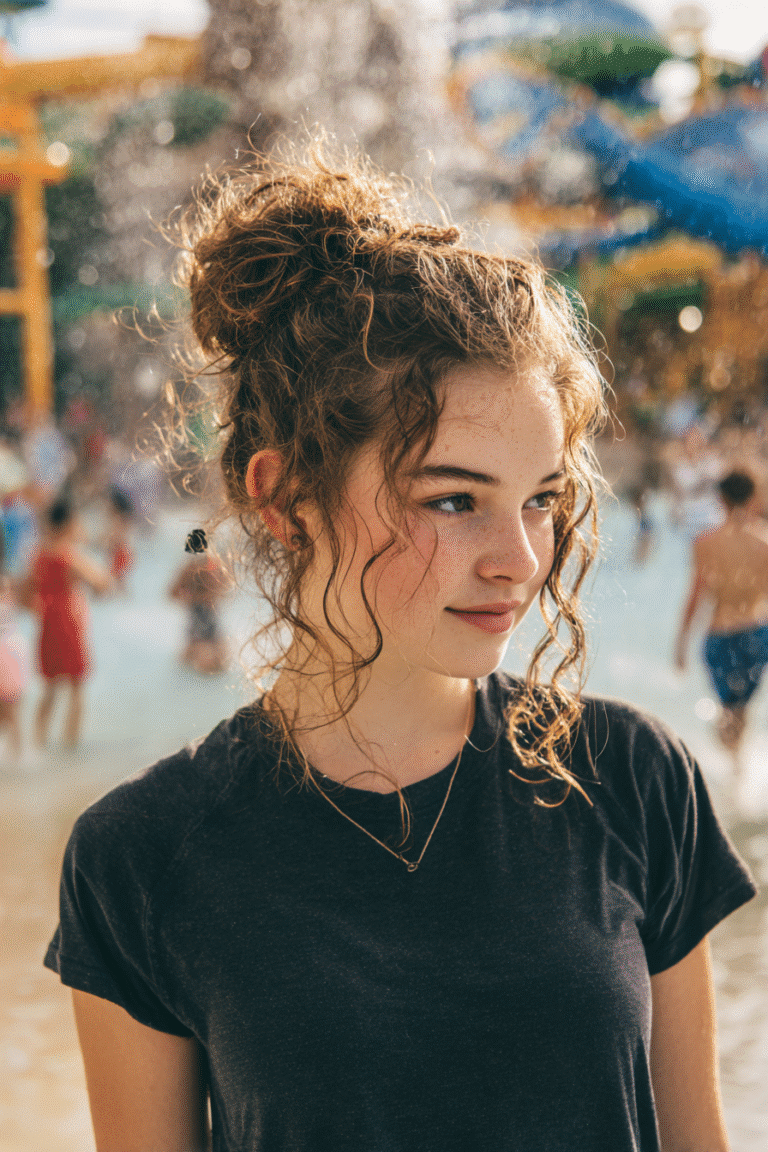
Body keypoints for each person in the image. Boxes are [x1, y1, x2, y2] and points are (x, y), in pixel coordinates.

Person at [45, 144, 755, 1152]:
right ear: (284, 495)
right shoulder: (142, 857)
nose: (520, 559)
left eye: (541, 501)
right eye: (454, 500)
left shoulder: (634, 781)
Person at [675, 468, 768, 759]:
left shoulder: (705, 543)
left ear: (720, 499)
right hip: (756, 634)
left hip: (719, 635)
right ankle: (738, 770)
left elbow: (696, 595)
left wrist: (681, 641)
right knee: (741, 710)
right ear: (753, 498)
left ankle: (731, 767)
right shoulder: (764, 543)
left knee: (728, 708)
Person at [30, 497, 111, 749]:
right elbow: (102, 583)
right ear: (70, 524)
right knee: (76, 688)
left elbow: (26, 594)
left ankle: (37, 744)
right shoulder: (69, 555)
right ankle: (70, 747)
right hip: (69, 624)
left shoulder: (39, 554)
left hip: (47, 623)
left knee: (50, 688)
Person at [169, 531, 229, 674]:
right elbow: (172, 594)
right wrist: (194, 596)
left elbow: (224, 593)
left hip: (210, 627)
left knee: (220, 663)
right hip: (196, 628)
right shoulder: (188, 570)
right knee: (203, 665)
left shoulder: (214, 569)